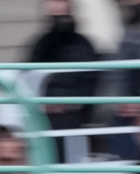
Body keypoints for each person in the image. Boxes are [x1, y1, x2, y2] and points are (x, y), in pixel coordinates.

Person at [25, 0, 102, 132]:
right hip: (45, 109)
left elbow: (90, 81)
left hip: (74, 111)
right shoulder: (41, 44)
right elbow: (29, 76)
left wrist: (69, 104)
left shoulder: (83, 45)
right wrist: (44, 103)